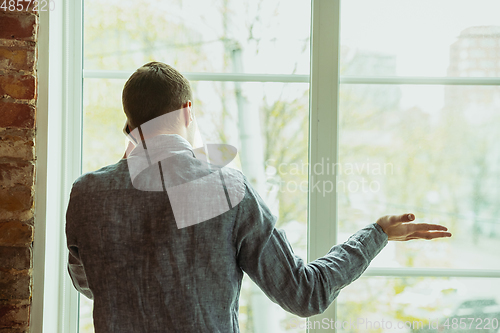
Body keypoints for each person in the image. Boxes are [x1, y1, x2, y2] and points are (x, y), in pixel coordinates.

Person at [65, 62, 452, 333]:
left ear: (129, 124)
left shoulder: (86, 193)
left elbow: (91, 284)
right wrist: (377, 234)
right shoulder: (224, 188)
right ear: (187, 111)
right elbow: (305, 294)